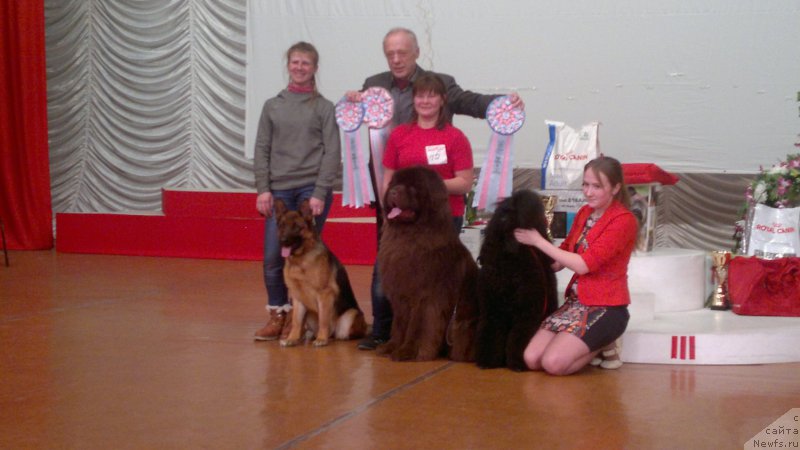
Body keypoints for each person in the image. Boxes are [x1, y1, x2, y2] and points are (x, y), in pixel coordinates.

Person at [349, 27, 524, 350]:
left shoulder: (442, 87)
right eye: (390, 53)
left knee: (432, 280)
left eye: (402, 52)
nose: (396, 59)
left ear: (417, 53)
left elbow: (471, 102)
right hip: (396, 204)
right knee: (387, 269)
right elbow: (359, 123)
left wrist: (502, 105)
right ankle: (383, 331)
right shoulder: (374, 85)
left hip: (438, 212)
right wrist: (351, 101)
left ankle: (433, 335)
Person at [513, 156, 638, 375]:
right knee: (531, 359)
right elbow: (566, 251)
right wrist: (536, 261)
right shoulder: (584, 213)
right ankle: (589, 345)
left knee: (553, 364)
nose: (588, 192)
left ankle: (603, 343)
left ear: (616, 188)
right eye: (585, 184)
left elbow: (583, 265)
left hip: (606, 307)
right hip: (576, 302)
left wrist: (538, 241)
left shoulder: (624, 220)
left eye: (597, 186)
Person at [252, 42, 340, 341]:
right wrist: (263, 189)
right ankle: (278, 314)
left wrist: (320, 191)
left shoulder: (324, 107)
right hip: (279, 191)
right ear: (288, 65)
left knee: (307, 256)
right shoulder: (272, 106)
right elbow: (262, 148)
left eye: (306, 63)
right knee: (273, 256)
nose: (300, 67)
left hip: (310, 191)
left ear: (315, 68)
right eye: (295, 62)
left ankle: (301, 321)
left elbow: (332, 152)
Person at [382, 73, 474, 231]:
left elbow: (465, 183)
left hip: (443, 216)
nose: (425, 101)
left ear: (442, 100)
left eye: (431, 96)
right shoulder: (398, 134)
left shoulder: (456, 137)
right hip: (405, 216)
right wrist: (386, 210)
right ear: (413, 99)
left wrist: (425, 186)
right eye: (420, 96)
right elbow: (388, 180)